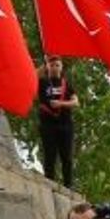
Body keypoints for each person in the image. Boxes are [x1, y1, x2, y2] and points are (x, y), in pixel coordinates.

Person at [36, 55, 78, 188]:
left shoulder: (67, 83)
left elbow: (76, 102)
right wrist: (45, 64)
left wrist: (61, 103)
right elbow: (32, 76)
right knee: (49, 156)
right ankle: (50, 184)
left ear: (61, 67)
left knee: (67, 157)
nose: (55, 68)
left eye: (57, 65)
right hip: (48, 125)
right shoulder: (42, 82)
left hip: (65, 124)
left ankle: (68, 186)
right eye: (52, 65)